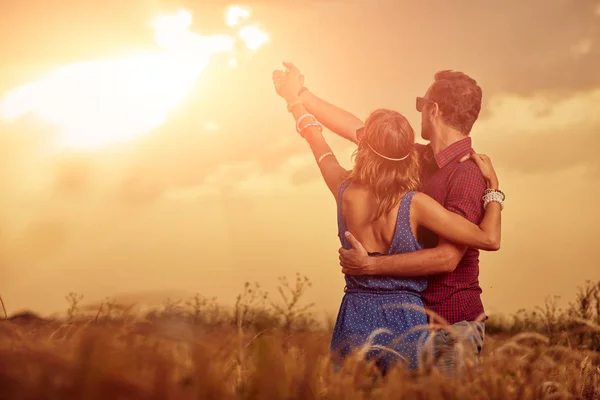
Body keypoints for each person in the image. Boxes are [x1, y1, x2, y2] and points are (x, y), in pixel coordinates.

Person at [272, 67, 504, 374]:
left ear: (433, 110)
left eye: (421, 104)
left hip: (450, 322)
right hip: (412, 319)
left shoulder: (468, 174)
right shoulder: (415, 160)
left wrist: (369, 266)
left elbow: (448, 257)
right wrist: (300, 94)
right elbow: (356, 128)